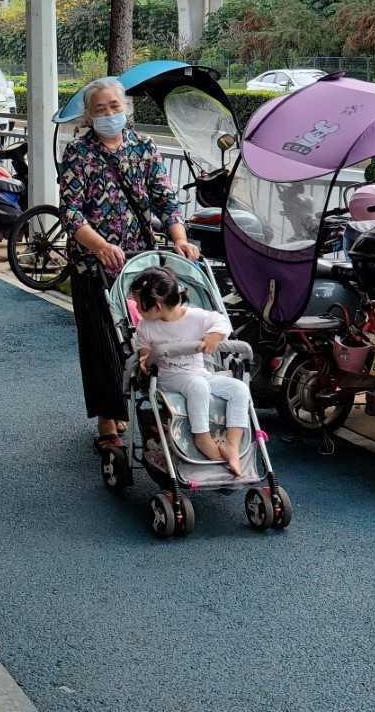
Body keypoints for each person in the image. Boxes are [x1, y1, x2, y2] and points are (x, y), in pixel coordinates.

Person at [59, 75, 201, 452]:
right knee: (102, 343)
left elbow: (165, 201)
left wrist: (180, 240)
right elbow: (71, 212)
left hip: (139, 263)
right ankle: (108, 422)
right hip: (94, 264)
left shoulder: (144, 147)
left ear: (126, 109)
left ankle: (159, 410)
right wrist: (99, 244)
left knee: (149, 337)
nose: (108, 114)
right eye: (100, 109)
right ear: (88, 117)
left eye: (114, 107)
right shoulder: (79, 153)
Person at [129, 266, 249, 476]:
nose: (136, 308)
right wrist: (145, 357)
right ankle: (201, 437)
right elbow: (143, 349)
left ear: (157, 306)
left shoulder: (196, 317)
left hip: (198, 372)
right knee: (198, 385)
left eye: (138, 304)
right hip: (168, 378)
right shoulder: (146, 327)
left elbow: (221, 321)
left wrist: (214, 336)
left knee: (239, 389)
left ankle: (232, 443)